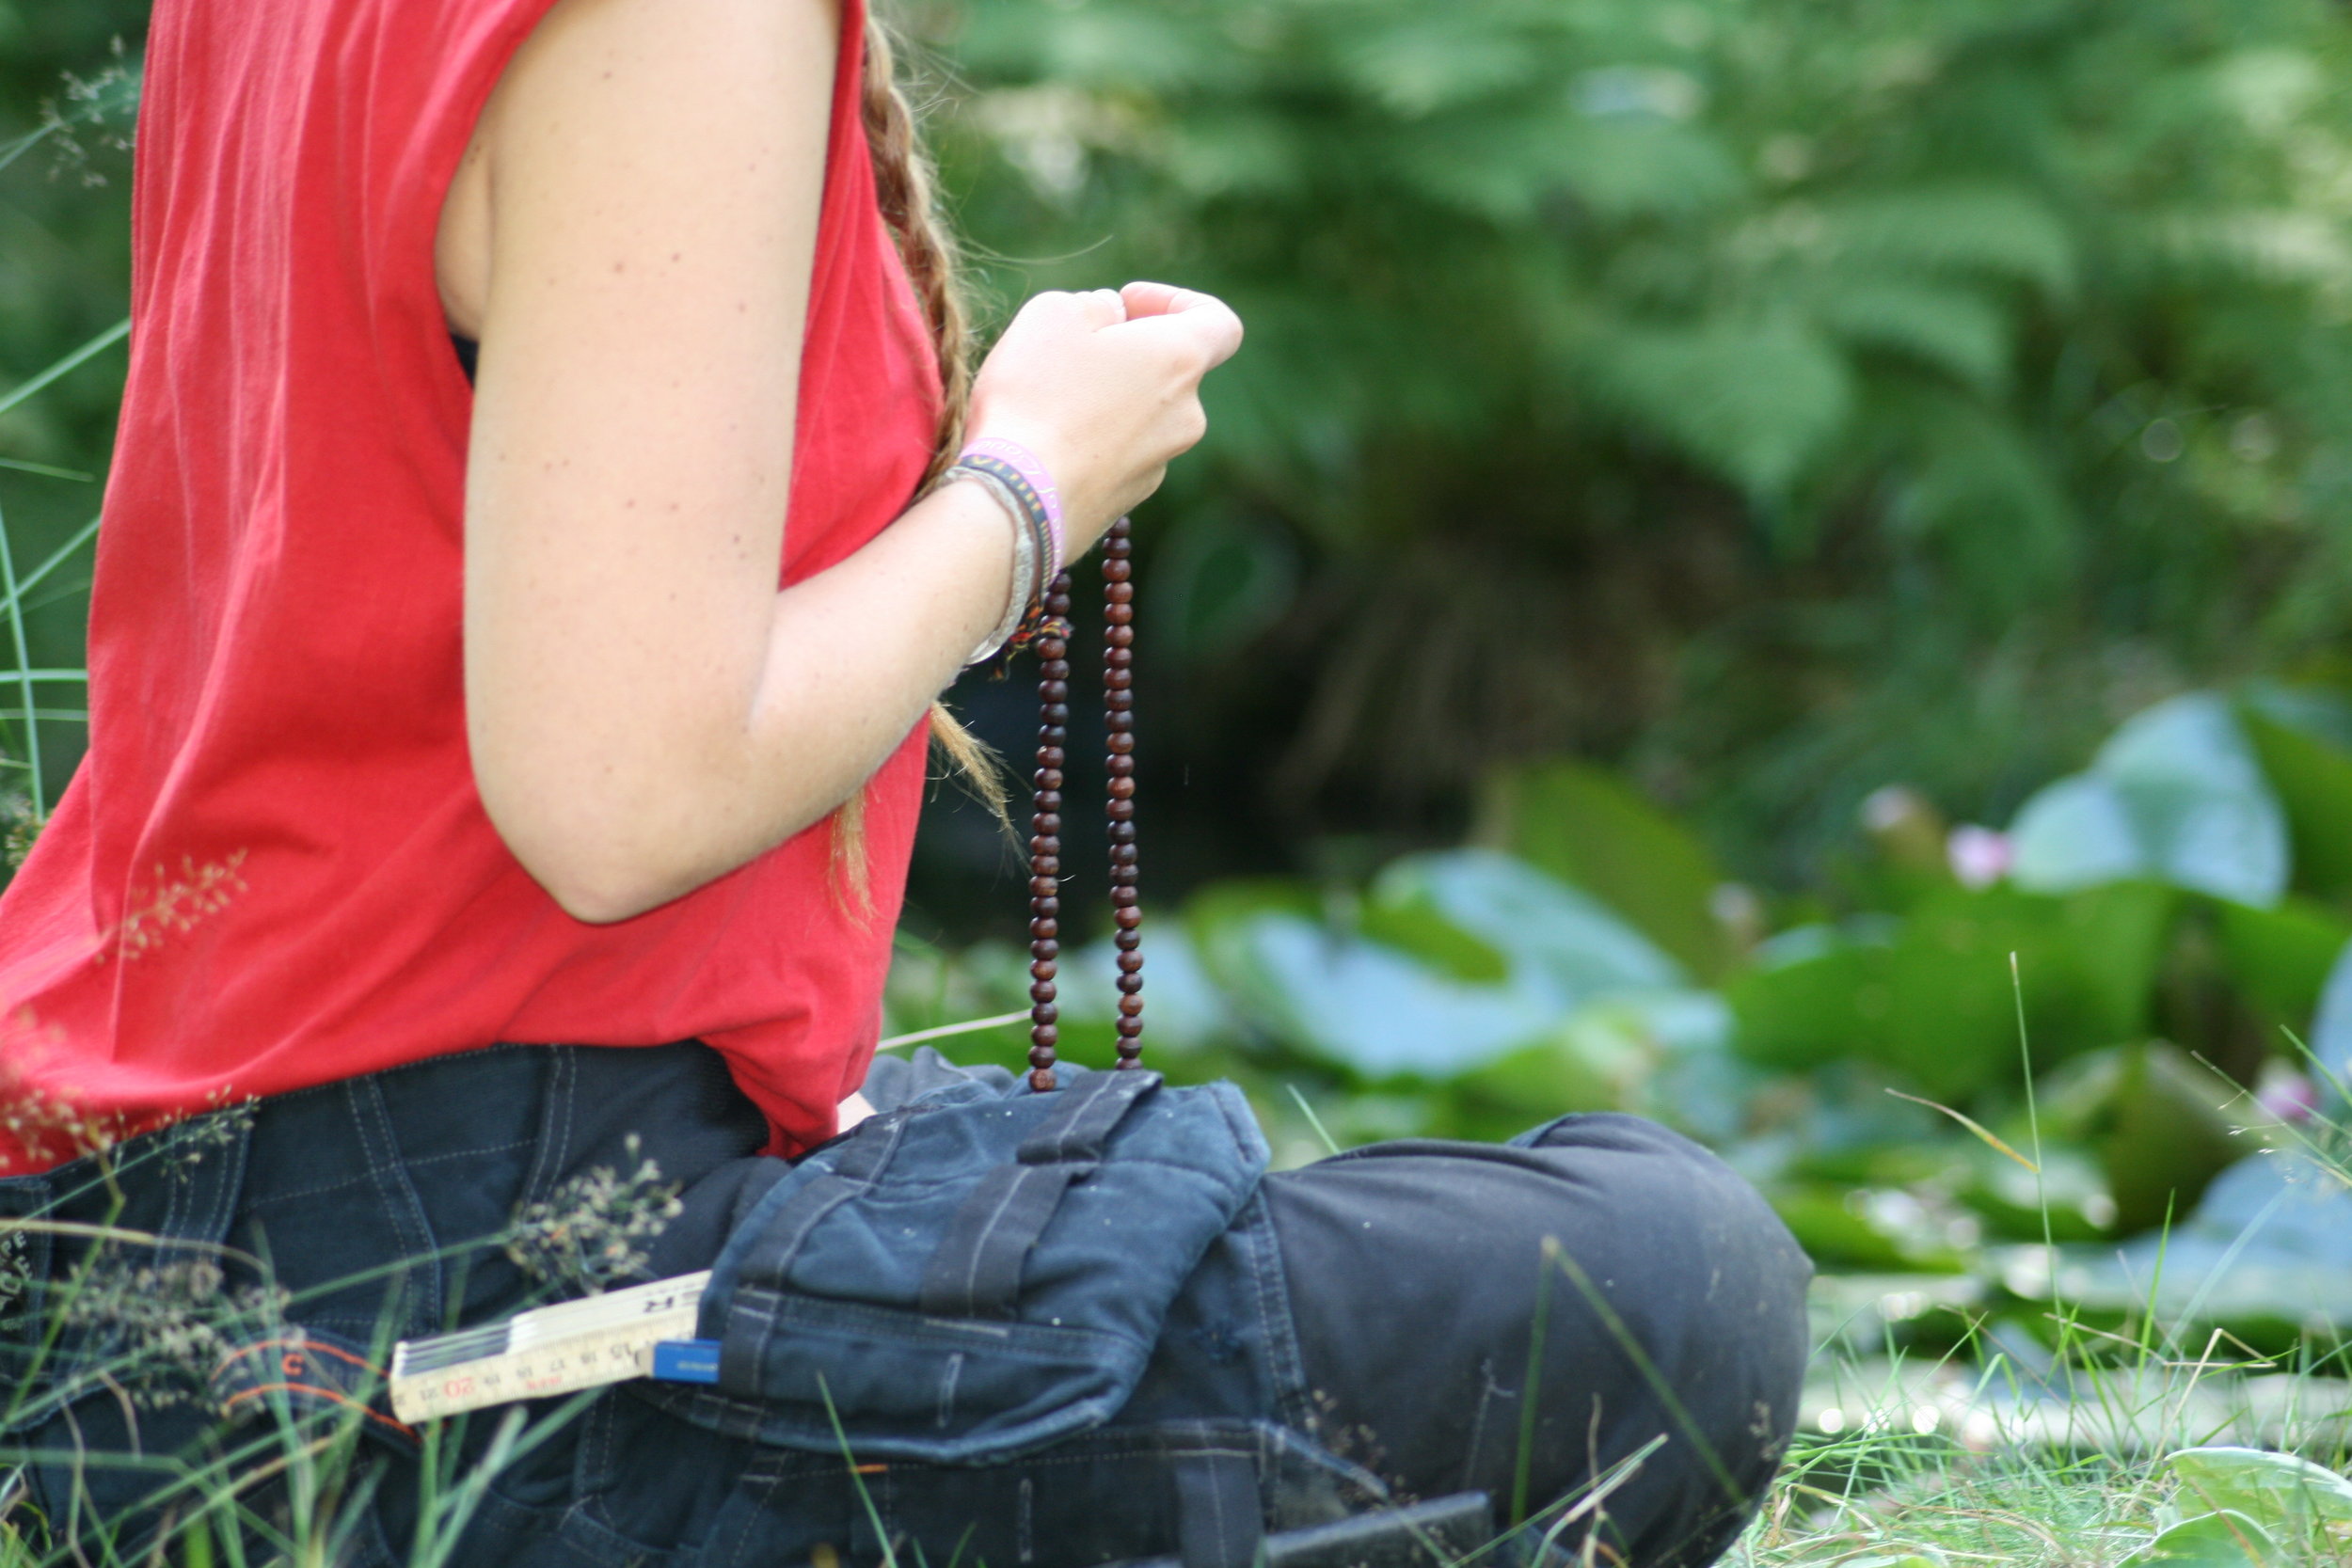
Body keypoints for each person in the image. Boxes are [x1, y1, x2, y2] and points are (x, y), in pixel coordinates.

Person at [0, 0, 1813, 1562]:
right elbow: (621, 793)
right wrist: (1029, 493)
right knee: (1657, 1293)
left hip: (148, 1242)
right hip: (446, 1319)